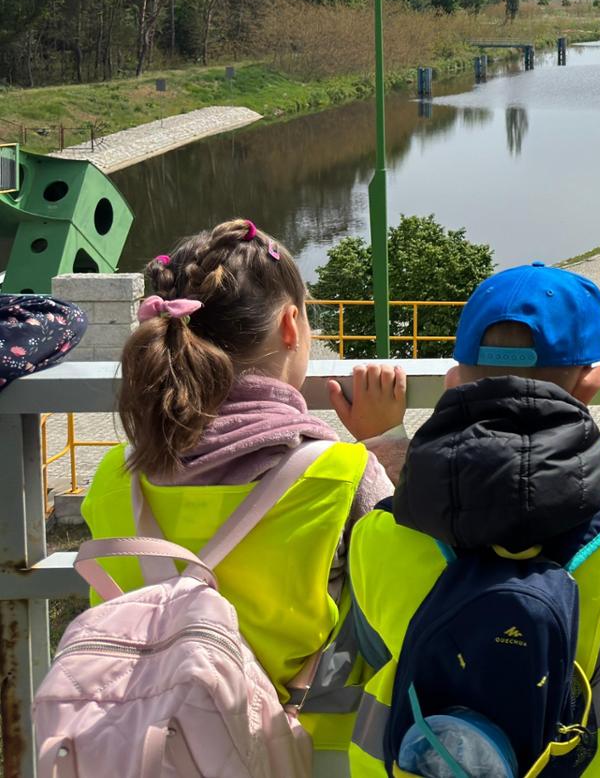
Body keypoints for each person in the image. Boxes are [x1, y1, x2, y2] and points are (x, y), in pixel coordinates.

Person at [79, 219, 406, 775]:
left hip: (138, 742)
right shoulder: (341, 474)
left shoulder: (116, 471)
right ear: (289, 325)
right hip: (302, 742)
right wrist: (385, 442)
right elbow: (409, 580)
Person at [344, 262, 600, 777]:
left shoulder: (383, 529)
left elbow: (375, 645)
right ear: (593, 383)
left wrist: (387, 442)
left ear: (454, 381)